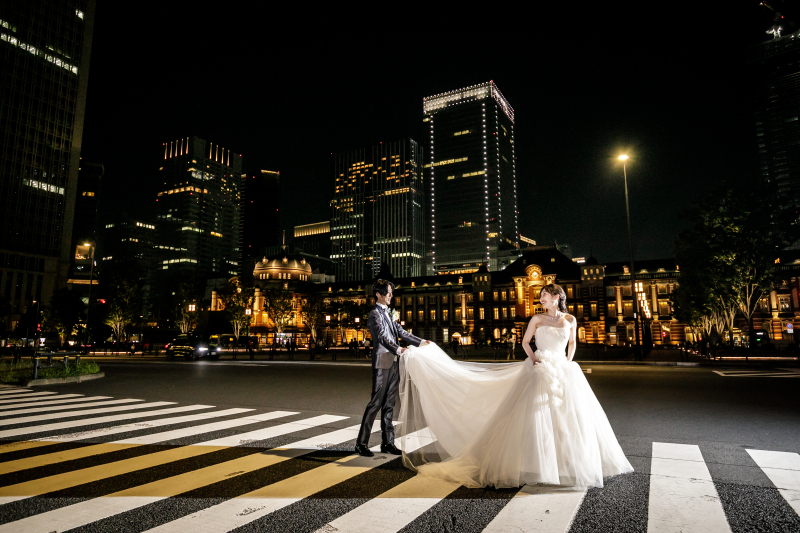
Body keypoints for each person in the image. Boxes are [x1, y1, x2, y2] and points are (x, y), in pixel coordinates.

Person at [398, 283, 633, 489]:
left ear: (557, 297)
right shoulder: (537, 319)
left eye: (545, 295)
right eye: (540, 295)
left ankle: (567, 462)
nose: (541, 298)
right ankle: (534, 461)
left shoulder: (570, 319)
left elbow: (572, 343)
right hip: (539, 367)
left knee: (570, 415)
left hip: (563, 367)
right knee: (533, 416)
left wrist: (569, 361)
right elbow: (524, 341)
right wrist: (534, 358)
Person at [355, 279, 429, 457]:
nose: (391, 295)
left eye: (391, 292)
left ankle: (387, 442)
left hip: (394, 362)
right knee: (375, 403)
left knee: (389, 404)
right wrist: (399, 349)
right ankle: (361, 443)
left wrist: (421, 342)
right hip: (382, 363)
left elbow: (401, 332)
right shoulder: (374, 314)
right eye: (388, 292)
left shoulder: (389, 313)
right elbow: (381, 337)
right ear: (378, 294)